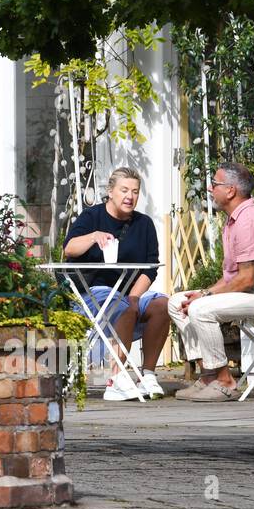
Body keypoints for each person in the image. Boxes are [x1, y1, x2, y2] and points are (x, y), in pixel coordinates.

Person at [167, 161, 254, 402]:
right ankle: (208, 375)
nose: (209, 188)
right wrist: (204, 292)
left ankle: (225, 381)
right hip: (250, 293)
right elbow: (231, 278)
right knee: (176, 302)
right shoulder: (236, 218)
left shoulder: (250, 221)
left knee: (200, 308)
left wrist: (204, 297)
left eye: (214, 184)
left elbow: (246, 279)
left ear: (231, 190)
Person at [63, 167, 169, 400]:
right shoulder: (92, 217)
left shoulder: (144, 224)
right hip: (92, 294)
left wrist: (134, 296)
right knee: (121, 306)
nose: (129, 196)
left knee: (162, 305)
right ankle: (116, 379)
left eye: (135, 191)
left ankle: (148, 375)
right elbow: (69, 248)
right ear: (110, 192)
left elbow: (150, 268)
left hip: (128, 293)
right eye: (124, 190)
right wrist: (93, 237)